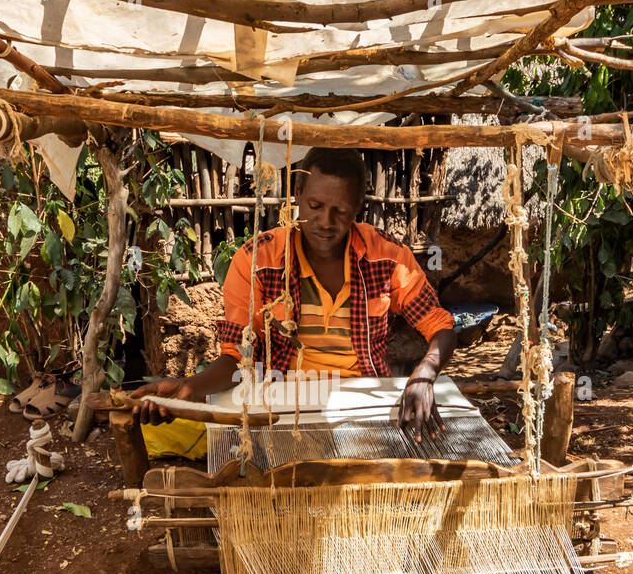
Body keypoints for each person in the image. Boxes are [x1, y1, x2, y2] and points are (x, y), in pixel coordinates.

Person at [134, 147, 456, 440]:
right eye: (314, 206)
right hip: (282, 407)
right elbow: (236, 359)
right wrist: (184, 389)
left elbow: (440, 325)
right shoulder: (257, 261)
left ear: (358, 206)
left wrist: (424, 374)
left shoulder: (386, 257)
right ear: (298, 195)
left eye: (340, 211)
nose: (325, 222)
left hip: (364, 405)